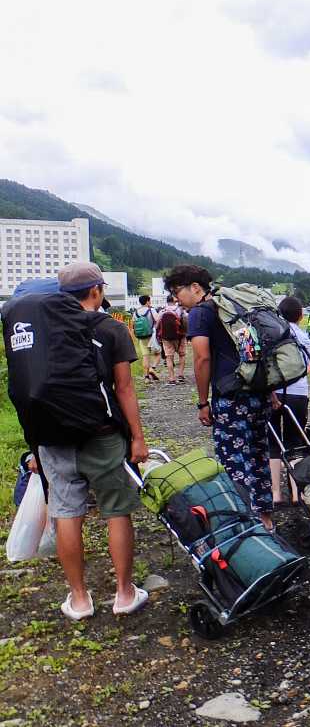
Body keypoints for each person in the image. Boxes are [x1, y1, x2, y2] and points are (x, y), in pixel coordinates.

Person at [39, 262, 150, 620]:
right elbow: (124, 388)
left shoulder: (44, 328)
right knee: (117, 510)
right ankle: (124, 593)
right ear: (97, 291)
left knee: (66, 512)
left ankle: (79, 599)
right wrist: (137, 438)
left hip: (54, 435)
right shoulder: (112, 329)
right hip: (102, 435)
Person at [164, 265, 276, 530]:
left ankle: (246, 526)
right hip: (257, 392)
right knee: (258, 456)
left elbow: (202, 358)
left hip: (230, 397)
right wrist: (269, 390)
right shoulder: (233, 307)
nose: (176, 298)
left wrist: (203, 402)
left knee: (234, 460)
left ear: (195, 287)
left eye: (176, 291)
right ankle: (266, 521)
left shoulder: (201, 313)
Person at [269, 296, 310, 504]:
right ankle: (297, 493)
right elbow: (308, 364)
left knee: (272, 442)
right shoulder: (303, 337)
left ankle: (275, 493)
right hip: (298, 393)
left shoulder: (271, 333)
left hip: (273, 393)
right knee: (295, 442)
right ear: (300, 316)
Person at [157, 294, 188, 384]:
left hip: (166, 337)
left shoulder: (162, 311)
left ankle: (171, 378)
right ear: (175, 300)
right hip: (180, 336)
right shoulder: (180, 310)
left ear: (167, 301)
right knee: (182, 355)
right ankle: (181, 375)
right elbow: (186, 321)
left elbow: (157, 324)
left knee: (169, 357)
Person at [131, 295, 159, 382]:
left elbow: (133, 324)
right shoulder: (151, 310)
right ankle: (152, 368)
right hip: (152, 336)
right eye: (149, 301)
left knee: (145, 357)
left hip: (141, 337)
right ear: (147, 301)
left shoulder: (136, 312)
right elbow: (158, 320)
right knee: (158, 353)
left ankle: (146, 378)